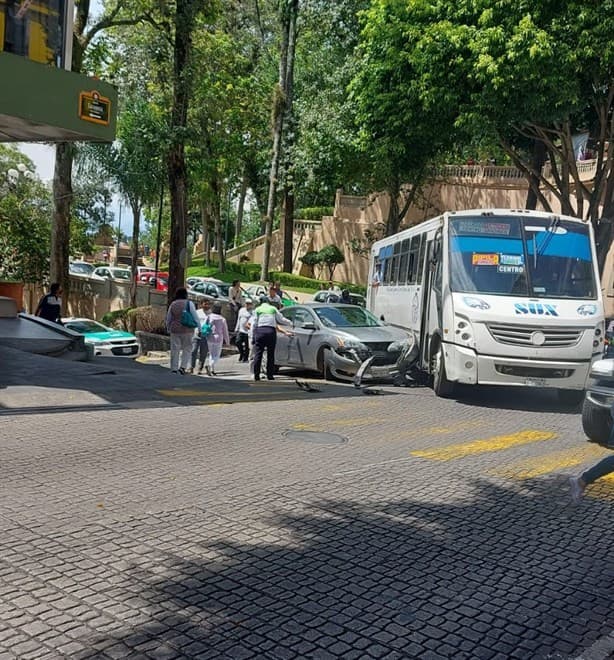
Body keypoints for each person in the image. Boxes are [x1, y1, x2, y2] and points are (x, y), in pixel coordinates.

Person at [251, 297, 293, 381]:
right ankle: (270, 375)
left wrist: (253, 336)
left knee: (258, 354)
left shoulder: (257, 309)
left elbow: (254, 323)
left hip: (260, 332)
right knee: (271, 354)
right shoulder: (273, 309)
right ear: (268, 302)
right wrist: (290, 322)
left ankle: (256, 375)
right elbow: (281, 319)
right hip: (270, 332)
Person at [166, 287, 200, 374]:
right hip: (187, 329)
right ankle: (183, 367)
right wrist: (199, 328)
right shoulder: (189, 303)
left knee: (175, 349)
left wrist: (168, 328)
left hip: (175, 329)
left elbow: (169, 318)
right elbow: (195, 317)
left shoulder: (173, 304)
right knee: (187, 348)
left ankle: (174, 368)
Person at [205, 302, 230, 376]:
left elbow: (206, 326)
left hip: (209, 337)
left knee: (211, 354)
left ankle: (212, 369)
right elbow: (225, 331)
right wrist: (227, 341)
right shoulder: (222, 319)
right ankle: (210, 366)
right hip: (218, 338)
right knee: (216, 355)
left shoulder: (209, 316)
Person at [189, 299, 212, 374]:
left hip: (205, 336)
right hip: (196, 334)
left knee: (203, 352)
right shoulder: (197, 312)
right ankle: (191, 367)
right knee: (193, 351)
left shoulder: (211, 314)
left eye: (208, 304)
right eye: (205, 304)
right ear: (201, 304)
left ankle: (200, 368)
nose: (207, 306)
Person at [234, 298, 254, 363]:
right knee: (238, 342)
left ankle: (245, 358)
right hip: (241, 330)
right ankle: (242, 353)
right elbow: (238, 319)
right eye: (246, 303)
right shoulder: (241, 310)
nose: (247, 305)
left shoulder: (253, 312)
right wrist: (236, 328)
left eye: (249, 304)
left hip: (248, 331)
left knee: (247, 345)